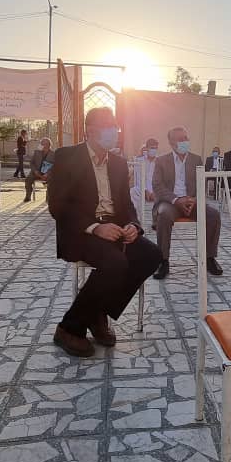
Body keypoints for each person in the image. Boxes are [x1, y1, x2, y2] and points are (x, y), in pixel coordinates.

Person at [47, 107, 161, 357]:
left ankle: (96, 312)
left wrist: (133, 225)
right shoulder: (67, 157)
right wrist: (96, 227)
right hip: (81, 231)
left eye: (115, 126)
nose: (114, 131)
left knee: (152, 255)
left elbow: (126, 205)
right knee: (115, 262)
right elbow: (57, 206)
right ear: (91, 131)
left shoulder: (118, 163)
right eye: (108, 126)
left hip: (114, 227)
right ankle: (68, 328)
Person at [152, 126, 224, 279]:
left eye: (186, 138)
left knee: (213, 215)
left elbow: (201, 183)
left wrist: (193, 200)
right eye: (181, 139)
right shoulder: (161, 161)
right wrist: (177, 200)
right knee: (163, 215)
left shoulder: (196, 159)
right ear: (171, 143)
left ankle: (209, 258)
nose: (185, 141)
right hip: (170, 202)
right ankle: (163, 260)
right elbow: (157, 186)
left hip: (192, 201)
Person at [131, 137, 159, 216]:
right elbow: (138, 179)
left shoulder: (160, 162)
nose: (154, 150)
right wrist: (145, 190)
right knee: (133, 191)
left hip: (155, 191)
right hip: (141, 189)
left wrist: (153, 192)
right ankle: (137, 217)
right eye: (152, 148)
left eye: (156, 148)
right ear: (147, 148)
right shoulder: (139, 161)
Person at [24, 137, 56, 202]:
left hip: (47, 174)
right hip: (36, 172)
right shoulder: (37, 152)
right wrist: (35, 171)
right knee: (28, 179)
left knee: (52, 181)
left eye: (42, 143)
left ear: (48, 145)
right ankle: (28, 196)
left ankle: (48, 197)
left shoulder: (53, 154)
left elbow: (55, 166)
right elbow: (31, 163)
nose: (41, 145)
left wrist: (47, 173)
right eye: (41, 143)